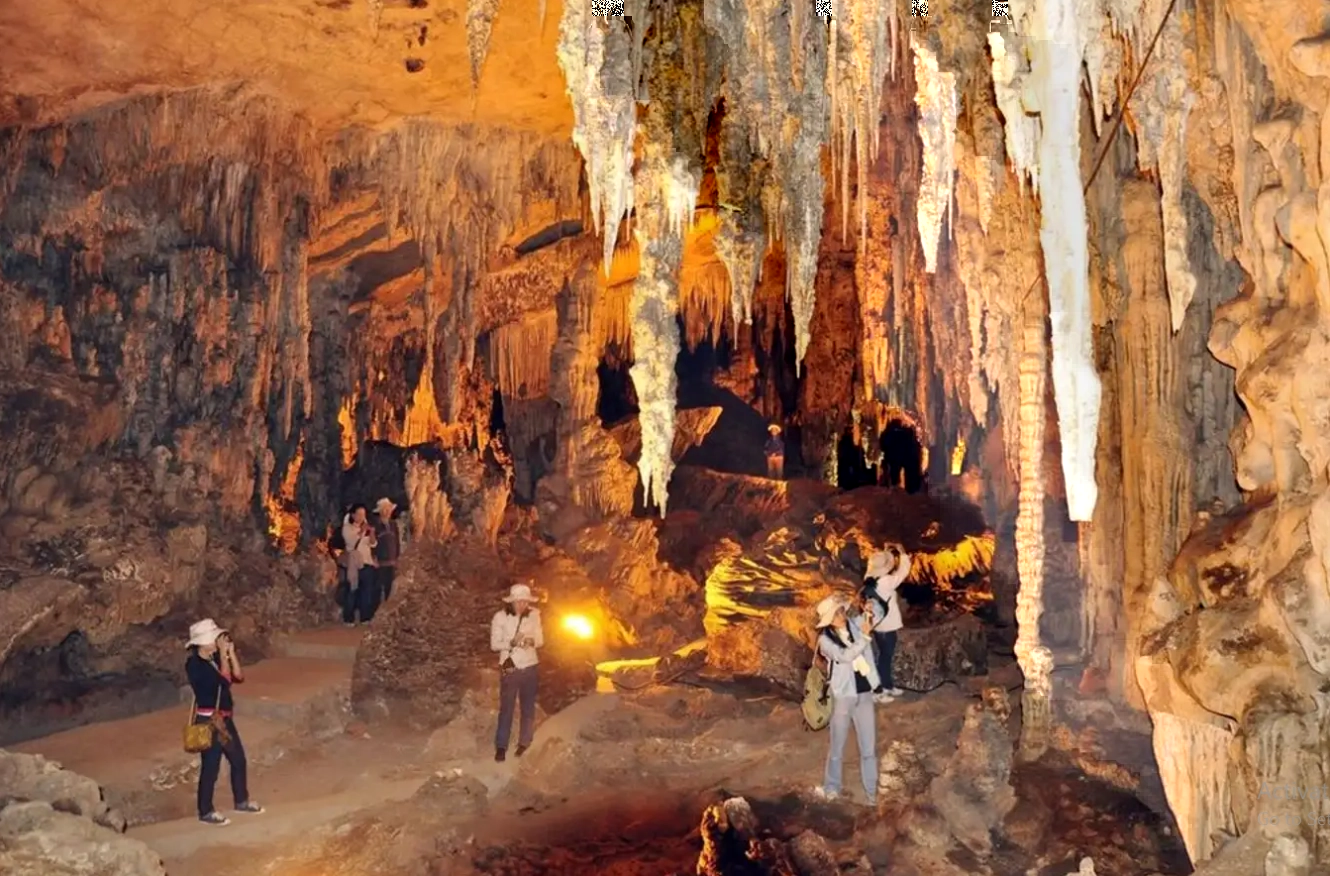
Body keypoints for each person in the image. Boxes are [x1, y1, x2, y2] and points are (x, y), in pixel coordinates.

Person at [185, 618, 263, 826]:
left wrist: (230, 653)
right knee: (211, 766)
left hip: (224, 720)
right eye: (214, 639)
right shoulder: (195, 665)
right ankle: (205, 811)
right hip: (208, 720)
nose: (216, 642)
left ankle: (241, 800)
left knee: (238, 760)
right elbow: (224, 680)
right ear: (202, 643)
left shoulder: (213, 659)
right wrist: (223, 656)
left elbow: (238, 676)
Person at [812, 594, 882, 806]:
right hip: (843, 696)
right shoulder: (825, 641)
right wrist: (865, 639)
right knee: (837, 747)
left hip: (864, 693)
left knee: (869, 748)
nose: (841, 615)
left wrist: (872, 606)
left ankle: (871, 794)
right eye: (836, 614)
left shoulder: (854, 624)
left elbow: (876, 616)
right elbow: (844, 656)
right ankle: (832, 787)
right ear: (829, 620)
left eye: (841, 611)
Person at [490, 582, 543, 762]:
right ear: (511, 602)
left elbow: (541, 640)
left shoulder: (535, 615)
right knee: (507, 706)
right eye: (518, 602)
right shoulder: (500, 617)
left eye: (525, 602)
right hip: (509, 663)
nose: (522, 605)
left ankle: (524, 742)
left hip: (530, 663)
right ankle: (501, 746)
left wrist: (531, 642)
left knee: (528, 707)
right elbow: (494, 644)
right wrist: (512, 643)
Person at [863, 544, 913, 703]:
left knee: (884, 656)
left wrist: (885, 551)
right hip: (888, 626)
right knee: (885, 657)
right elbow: (903, 572)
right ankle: (882, 687)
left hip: (877, 625)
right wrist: (902, 553)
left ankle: (888, 685)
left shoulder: (869, 580)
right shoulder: (886, 581)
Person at [340, 503, 378, 625]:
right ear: (353, 515)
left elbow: (373, 544)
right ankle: (348, 618)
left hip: (367, 563)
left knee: (366, 592)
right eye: (359, 514)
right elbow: (351, 541)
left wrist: (371, 532)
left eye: (364, 514)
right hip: (354, 564)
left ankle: (365, 617)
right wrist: (362, 531)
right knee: (352, 590)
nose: (362, 517)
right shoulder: (347, 528)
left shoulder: (365, 529)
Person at [371, 497, 401, 604]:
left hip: (392, 561)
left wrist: (397, 557)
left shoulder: (394, 525)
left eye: (388, 509)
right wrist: (374, 558)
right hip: (381, 561)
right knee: (379, 586)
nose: (387, 511)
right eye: (384, 509)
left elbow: (397, 542)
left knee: (390, 586)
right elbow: (372, 544)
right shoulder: (376, 527)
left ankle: (387, 606)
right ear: (380, 512)